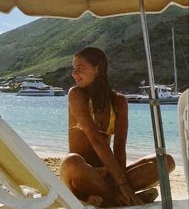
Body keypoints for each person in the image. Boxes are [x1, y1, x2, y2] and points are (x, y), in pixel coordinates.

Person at [60, 47, 175, 207]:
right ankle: (117, 199)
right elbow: (96, 140)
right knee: (71, 161)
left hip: (108, 174)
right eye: (73, 69)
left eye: (79, 68)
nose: (73, 74)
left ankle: (110, 196)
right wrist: (123, 186)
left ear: (97, 68)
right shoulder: (76, 95)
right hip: (81, 175)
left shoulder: (119, 102)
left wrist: (119, 182)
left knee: (167, 162)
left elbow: (119, 147)